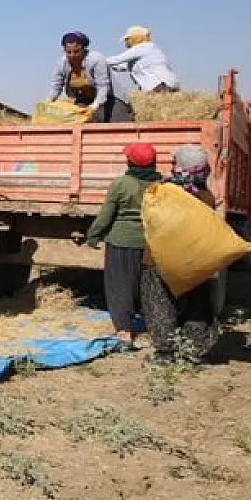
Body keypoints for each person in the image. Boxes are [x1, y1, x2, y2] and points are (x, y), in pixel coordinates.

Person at [139, 144, 221, 363]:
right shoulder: (206, 196)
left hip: (159, 258)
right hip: (194, 260)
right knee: (197, 303)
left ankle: (166, 352)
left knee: (159, 302)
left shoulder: (163, 191)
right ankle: (195, 350)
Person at [82, 141, 163, 347]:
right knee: (145, 284)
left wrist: (93, 236)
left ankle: (124, 331)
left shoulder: (121, 183)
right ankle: (154, 326)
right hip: (149, 243)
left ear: (130, 162)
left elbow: (106, 214)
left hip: (121, 242)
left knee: (120, 285)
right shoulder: (161, 185)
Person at [48, 31, 131, 123]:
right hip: (83, 100)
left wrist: (94, 106)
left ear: (84, 49)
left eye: (76, 52)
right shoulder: (61, 63)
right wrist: (48, 102)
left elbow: (103, 87)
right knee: (75, 121)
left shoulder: (96, 60)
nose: (72, 55)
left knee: (117, 124)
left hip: (110, 97)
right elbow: (56, 87)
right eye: (69, 52)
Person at [108, 26, 180, 97]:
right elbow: (121, 66)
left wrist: (98, 60)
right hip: (167, 84)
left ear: (135, 38)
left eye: (127, 39)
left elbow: (116, 60)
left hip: (159, 86)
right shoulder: (149, 49)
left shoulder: (142, 47)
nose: (126, 42)